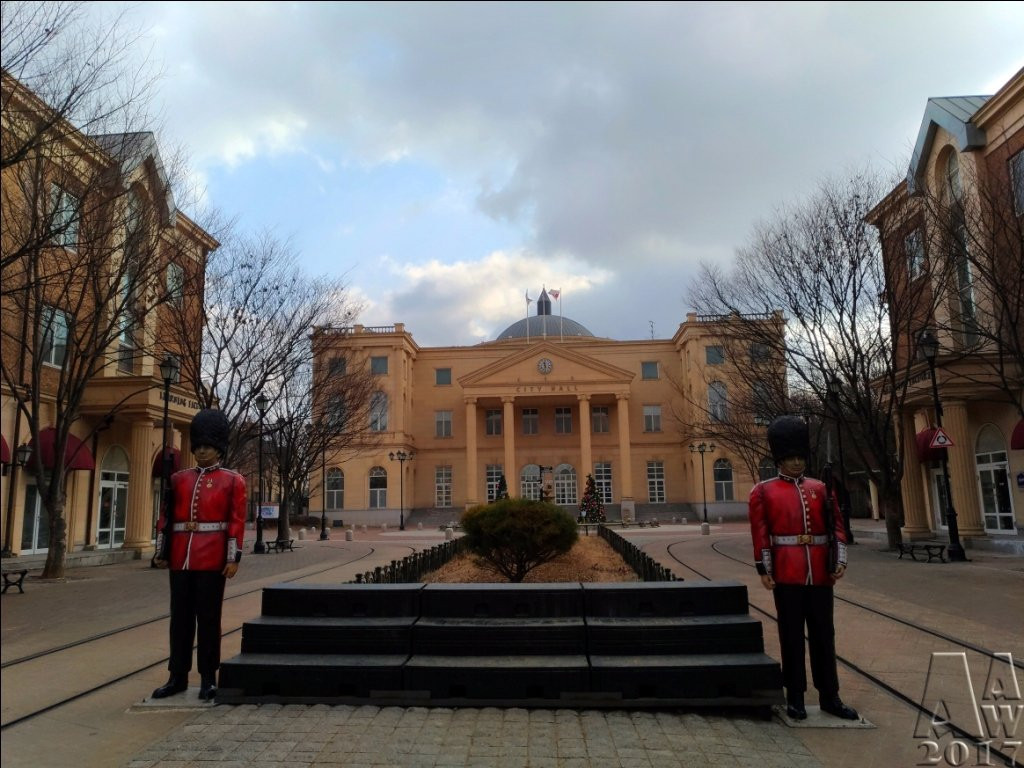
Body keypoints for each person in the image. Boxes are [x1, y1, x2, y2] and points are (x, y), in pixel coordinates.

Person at [748, 414, 858, 721]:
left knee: (825, 635)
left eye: (800, 457)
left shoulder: (821, 488)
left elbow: (837, 527)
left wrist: (839, 559)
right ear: (780, 459)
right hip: (787, 572)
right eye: (790, 458)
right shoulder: (764, 491)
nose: (797, 463)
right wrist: (764, 568)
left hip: (820, 572)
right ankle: (794, 694)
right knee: (791, 636)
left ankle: (830, 695)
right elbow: (761, 533)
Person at [151, 408, 247, 701]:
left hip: (212, 557)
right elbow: (165, 518)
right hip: (181, 556)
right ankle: (177, 675)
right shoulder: (180, 479)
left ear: (218, 448)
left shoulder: (232, 480)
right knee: (179, 620)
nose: (202, 450)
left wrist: (232, 558)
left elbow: (235, 522)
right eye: (199, 446)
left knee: (208, 619)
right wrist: (162, 551)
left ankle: (208, 676)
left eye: (208, 446)